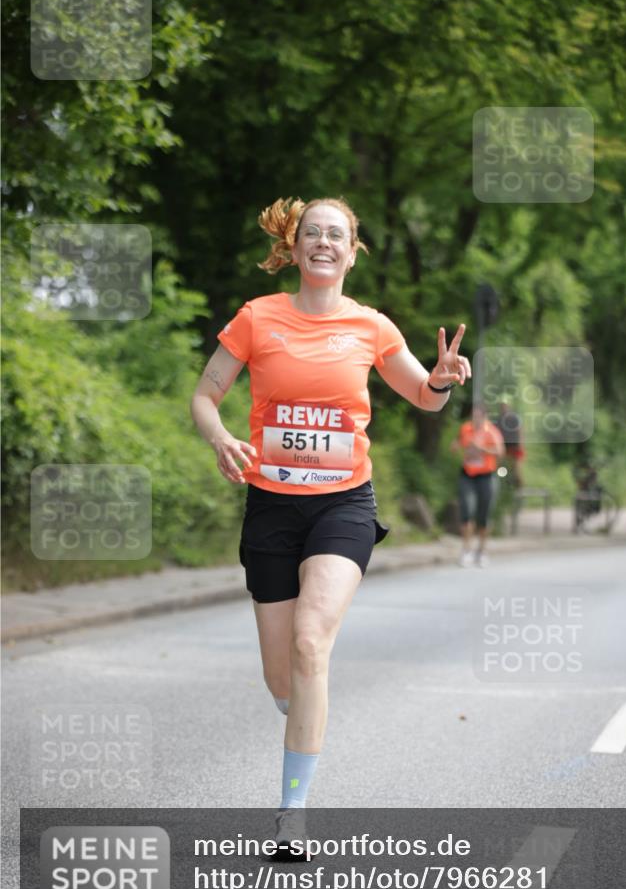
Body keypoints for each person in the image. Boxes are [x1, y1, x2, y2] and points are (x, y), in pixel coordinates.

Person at [191, 196, 471, 853]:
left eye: (335, 235)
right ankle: (302, 712)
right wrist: (221, 437)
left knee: (312, 642)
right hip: (270, 504)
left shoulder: (370, 327)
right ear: (292, 249)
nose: (322, 242)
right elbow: (206, 394)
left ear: (351, 252)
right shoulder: (257, 319)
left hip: (343, 503)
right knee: (283, 678)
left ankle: (293, 815)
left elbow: (424, 398)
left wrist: (443, 380)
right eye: (311, 232)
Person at [451, 402, 504, 567]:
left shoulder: (491, 432)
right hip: (467, 474)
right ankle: (466, 550)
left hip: (486, 476)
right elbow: (459, 442)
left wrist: (481, 448)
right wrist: (456, 446)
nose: (475, 419)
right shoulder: (466, 428)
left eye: (478, 416)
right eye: (473, 416)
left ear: (484, 416)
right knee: (466, 510)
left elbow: (500, 452)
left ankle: (481, 551)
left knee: (484, 514)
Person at [494, 396, 525, 488]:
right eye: (502, 406)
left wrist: (520, 444)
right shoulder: (499, 419)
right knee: (499, 465)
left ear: (508, 406)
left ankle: (520, 488)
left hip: (515, 446)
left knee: (516, 469)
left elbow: (520, 431)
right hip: (505, 446)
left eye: (505, 405)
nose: (503, 407)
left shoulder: (514, 417)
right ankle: (503, 485)